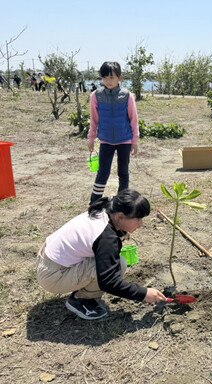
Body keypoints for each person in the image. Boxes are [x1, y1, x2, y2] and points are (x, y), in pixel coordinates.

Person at [36, 189, 167, 320]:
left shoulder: (107, 208)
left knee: (115, 261)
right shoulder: (106, 237)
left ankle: (81, 291)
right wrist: (144, 294)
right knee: (119, 265)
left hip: (48, 257)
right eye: (137, 219)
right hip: (52, 276)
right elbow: (109, 282)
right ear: (120, 216)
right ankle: (79, 300)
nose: (141, 224)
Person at [88, 62, 139, 204]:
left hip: (125, 140)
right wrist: (91, 138)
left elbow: (134, 120)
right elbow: (94, 120)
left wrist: (135, 141)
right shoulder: (96, 96)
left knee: (123, 173)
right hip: (105, 140)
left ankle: (123, 202)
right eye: (104, 78)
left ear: (120, 78)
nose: (108, 81)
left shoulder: (127, 96)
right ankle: (94, 203)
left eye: (111, 77)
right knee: (102, 173)